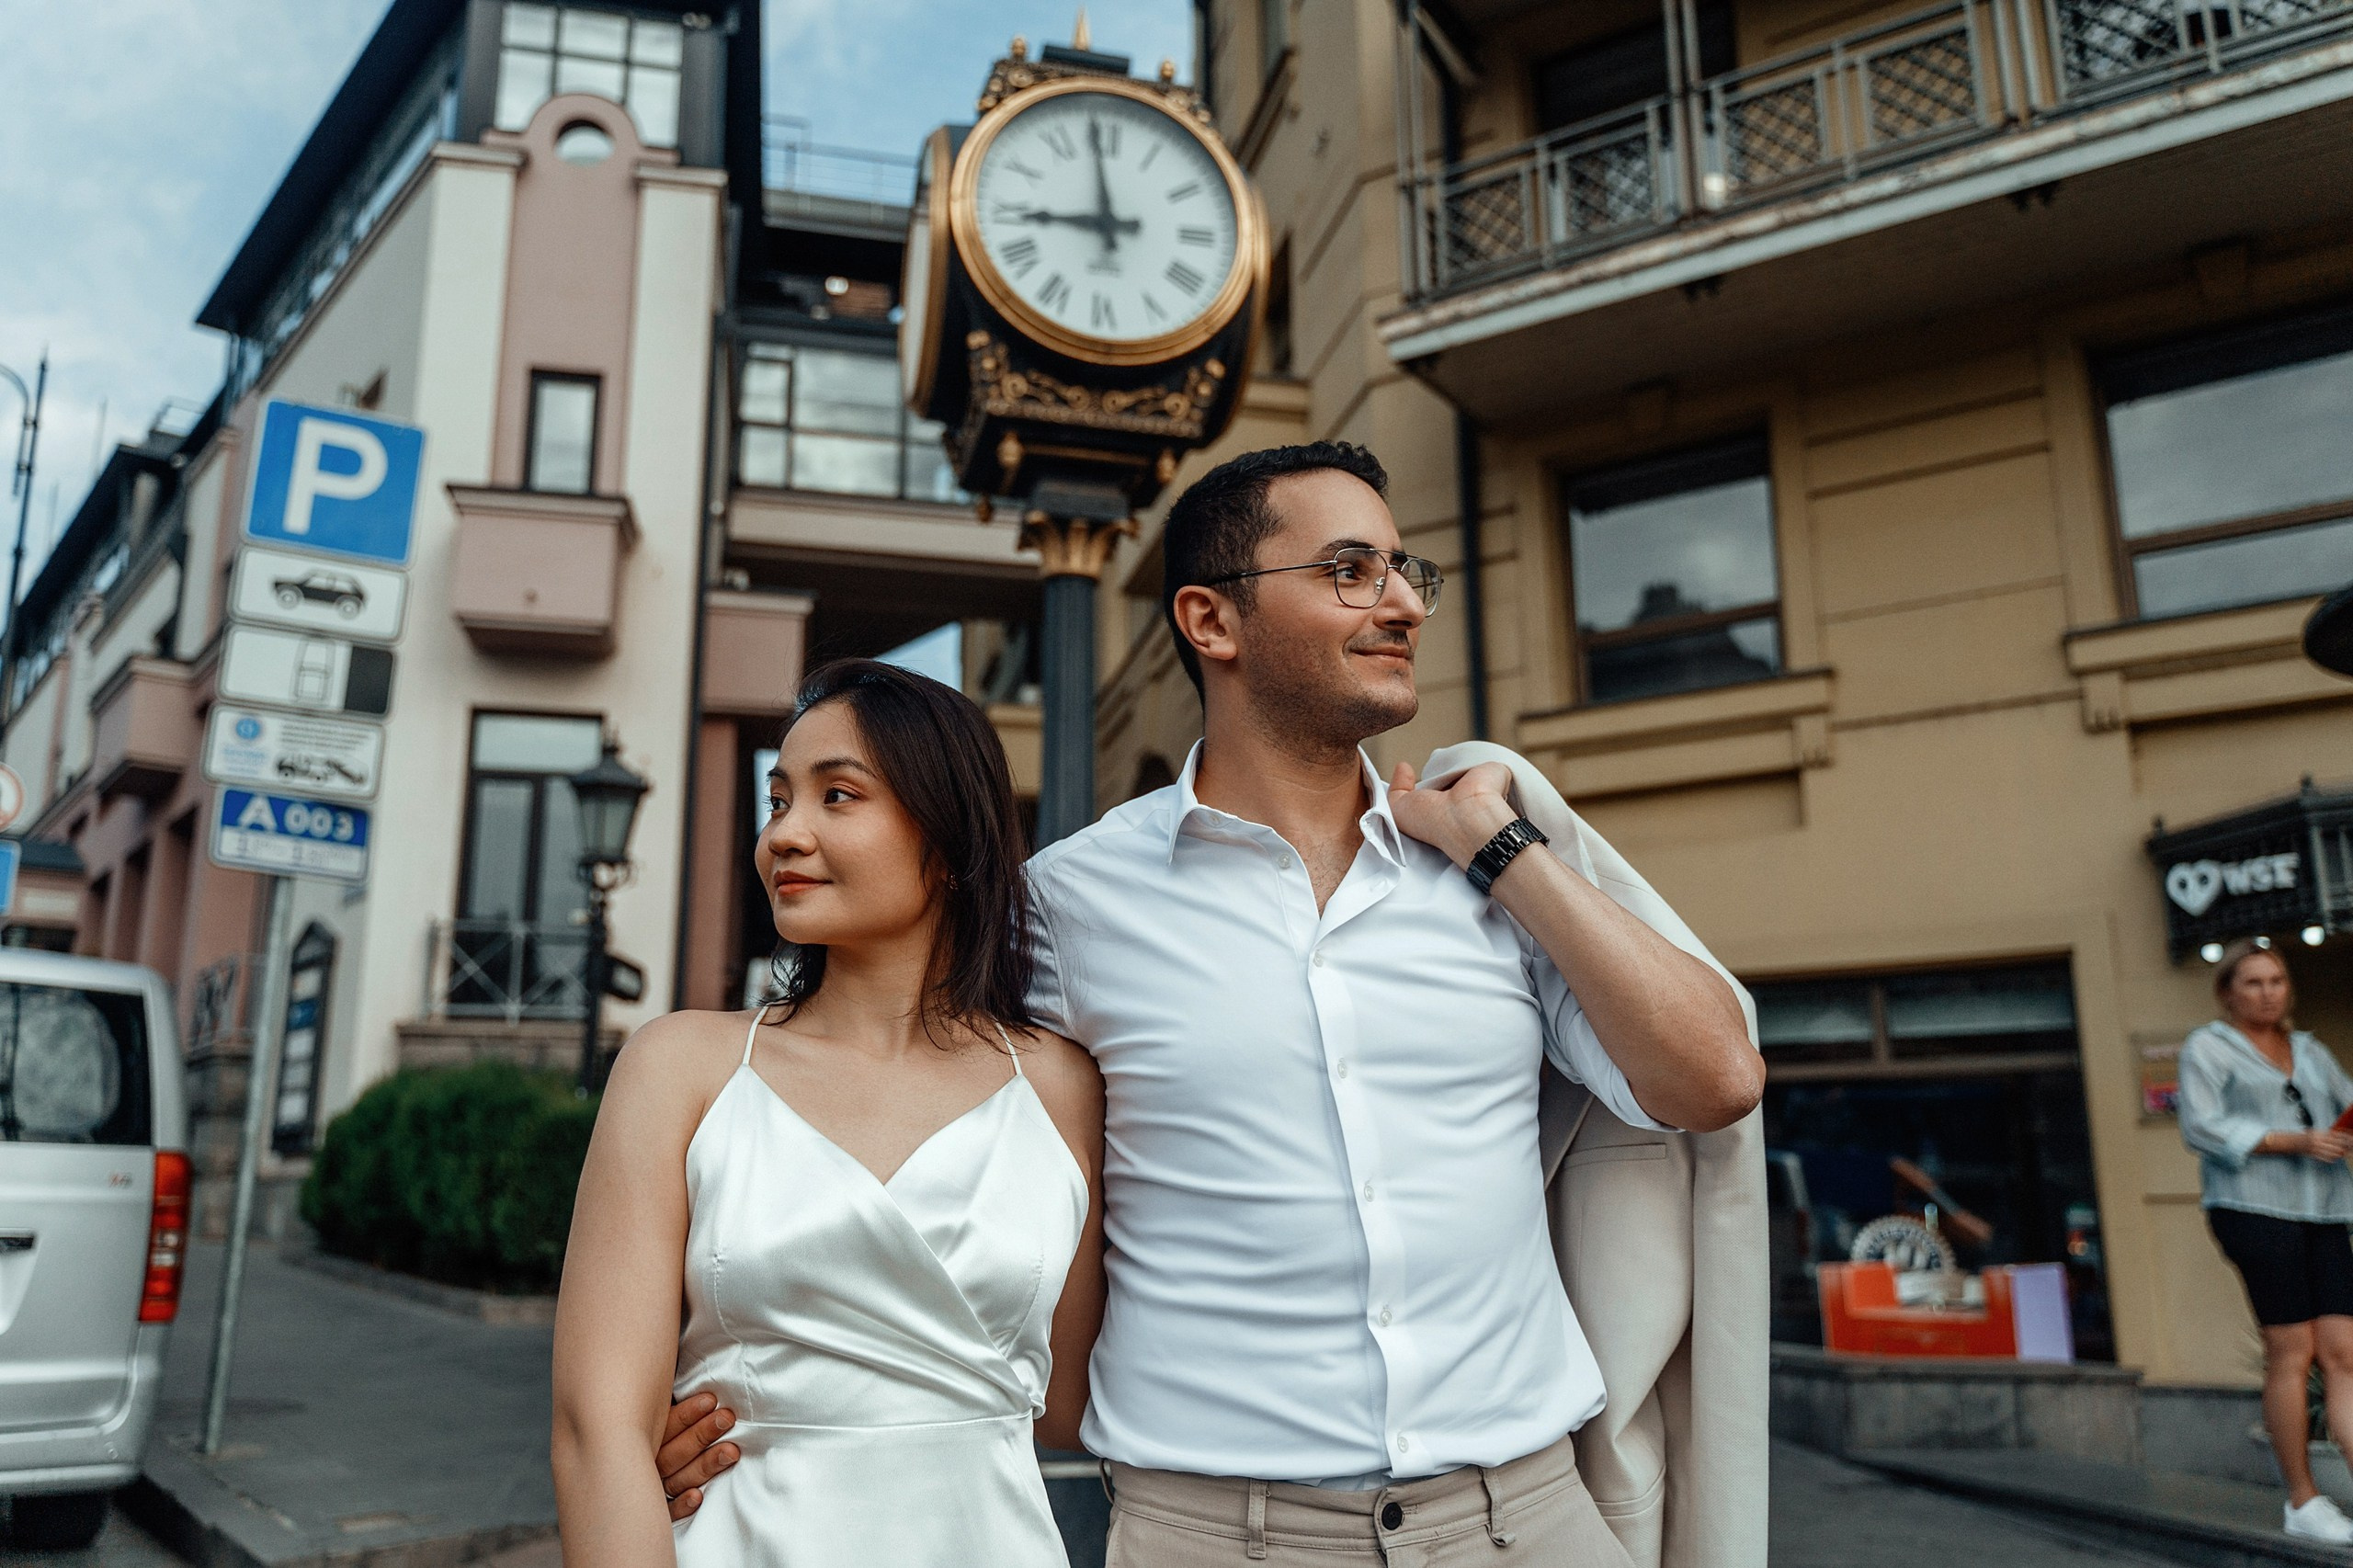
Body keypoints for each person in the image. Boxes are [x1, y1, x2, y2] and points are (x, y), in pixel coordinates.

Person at [663, 442, 1765, 1564]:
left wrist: (1502, 846)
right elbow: (900, 1138)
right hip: (1218, 1536)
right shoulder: (1067, 904)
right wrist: (743, 1403)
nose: (1399, 603)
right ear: (1210, 619)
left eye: (1404, 571)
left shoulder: (1487, 873)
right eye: (1348, 570)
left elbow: (1717, 1079)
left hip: (1526, 1519)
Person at [550, 660, 1106, 1568]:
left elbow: (1070, 1403)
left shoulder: (1060, 1087)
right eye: (777, 801)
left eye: (836, 796)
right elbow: (595, 1430)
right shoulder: (680, 1068)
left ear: (948, 839)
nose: (784, 834)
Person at [2180, 937, 2353, 1545]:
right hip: (2253, 1210)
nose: (2267, 993)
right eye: (2252, 982)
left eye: (2275, 981)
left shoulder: (2309, 1050)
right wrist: (2294, 1141)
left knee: (2345, 1351)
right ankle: (2302, 1501)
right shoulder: (2208, 1047)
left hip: (2325, 1209)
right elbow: (2201, 1125)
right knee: (2292, 1351)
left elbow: (2346, 1105)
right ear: (2227, 992)